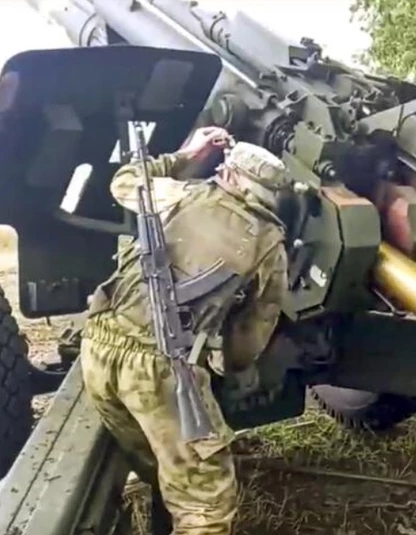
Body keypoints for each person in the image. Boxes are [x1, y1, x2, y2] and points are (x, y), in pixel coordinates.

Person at [79, 127, 293, 534]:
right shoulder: (269, 244)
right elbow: (252, 331)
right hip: (161, 369)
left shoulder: (180, 194)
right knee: (207, 502)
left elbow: (124, 181)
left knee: (159, 460)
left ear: (228, 174)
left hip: (99, 351)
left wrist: (183, 154)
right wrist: (225, 369)